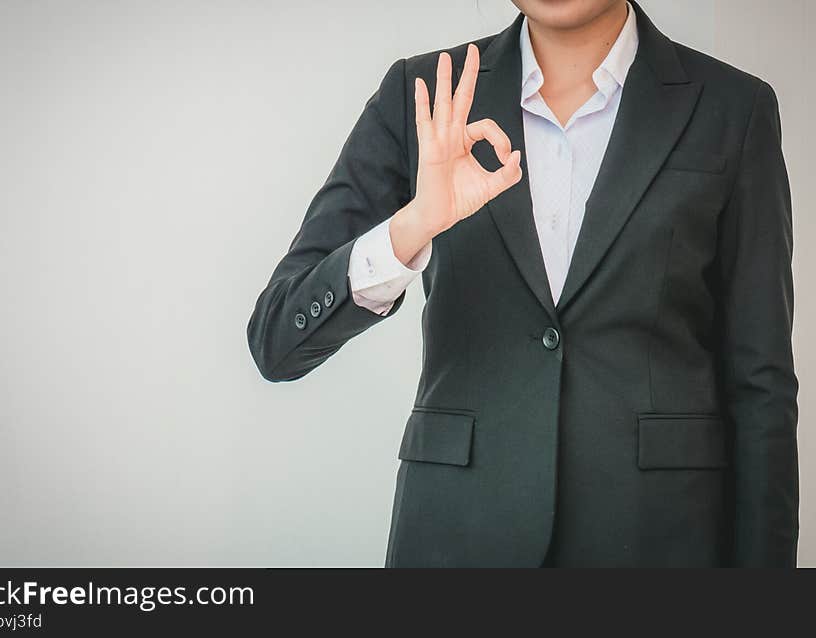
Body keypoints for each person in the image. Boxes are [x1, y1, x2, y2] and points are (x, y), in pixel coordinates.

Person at [246, 0, 799, 567]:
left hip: (660, 537)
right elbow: (277, 342)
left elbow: (761, 386)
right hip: (456, 536)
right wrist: (411, 226)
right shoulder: (422, 94)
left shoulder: (734, 108)